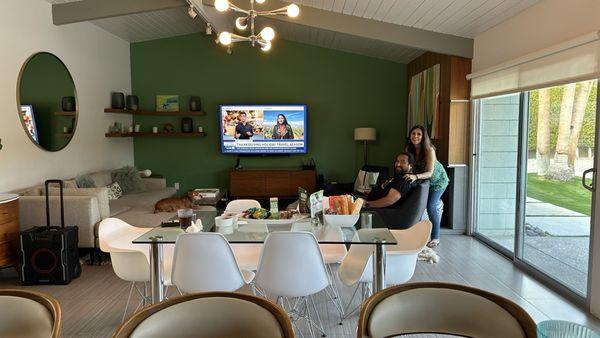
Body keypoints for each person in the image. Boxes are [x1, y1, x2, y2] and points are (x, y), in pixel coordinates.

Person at [404, 125, 449, 247]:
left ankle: (435, 237)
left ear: (423, 137)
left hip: (438, 181)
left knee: (431, 206)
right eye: (413, 133)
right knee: (417, 204)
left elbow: (429, 172)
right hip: (424, 181)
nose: (416, 136)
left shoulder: (429, 150)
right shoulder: (409, 149)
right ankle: (415, 233)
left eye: (419, 134)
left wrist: (415, 177)